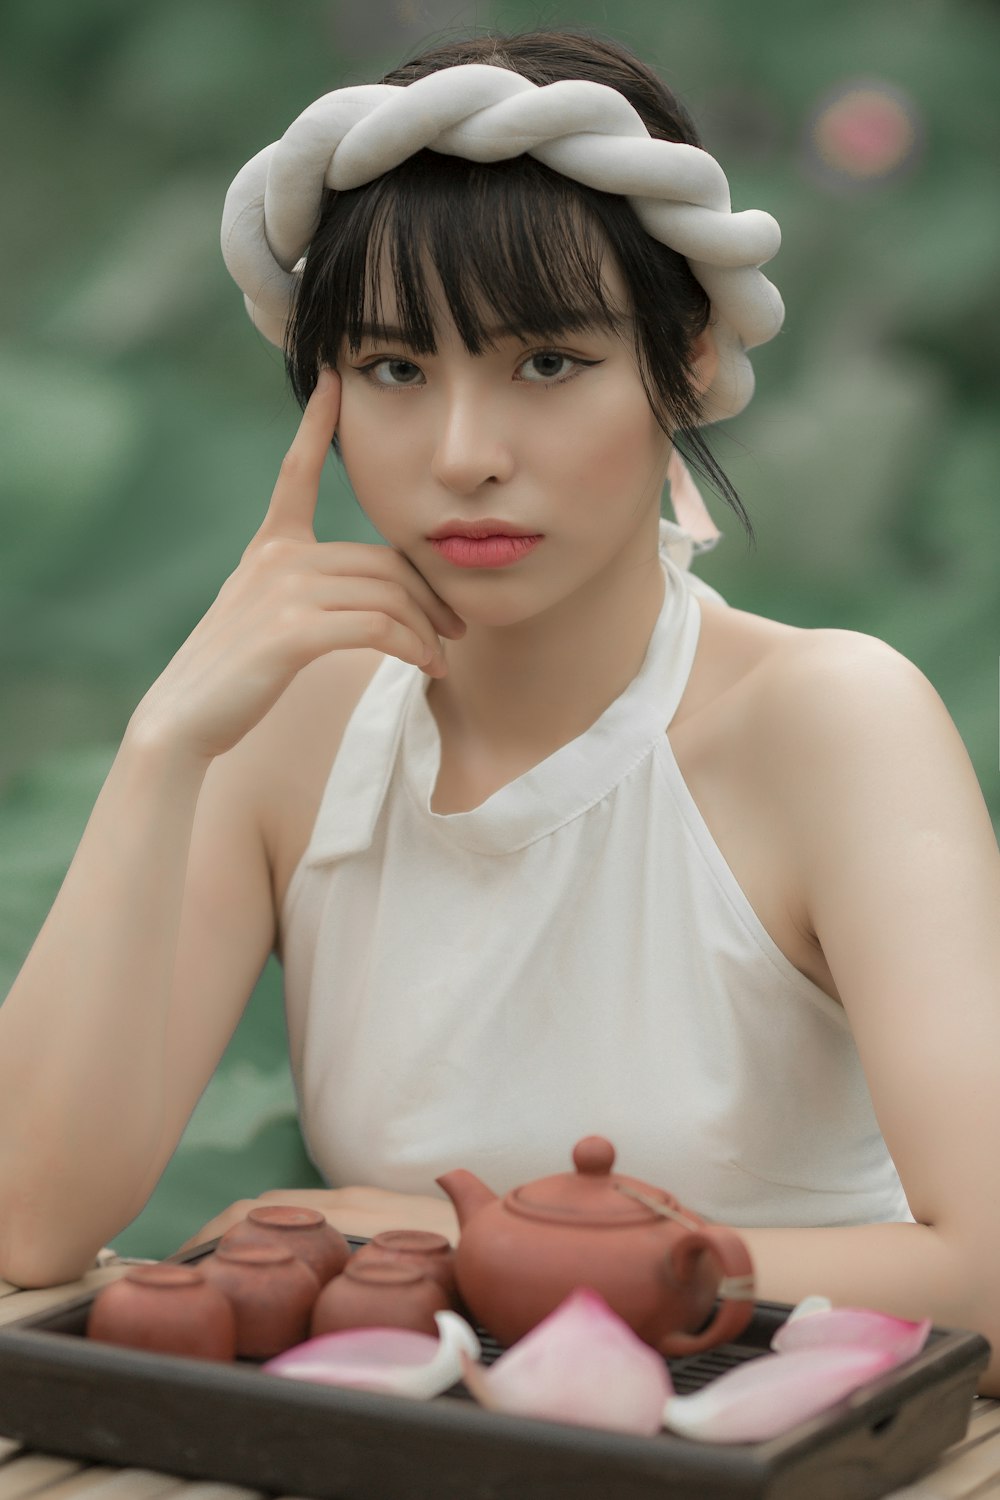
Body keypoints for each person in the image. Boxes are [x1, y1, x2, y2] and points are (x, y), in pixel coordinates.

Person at [1, 30, 999, 1392]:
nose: (466, 456)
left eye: (547, 364)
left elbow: (988, 1278)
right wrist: (167, 740)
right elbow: (30, 1220)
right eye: (398, 371)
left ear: (688, 358)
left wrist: (441, 1237)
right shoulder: (298, 732)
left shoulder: (830, 724)